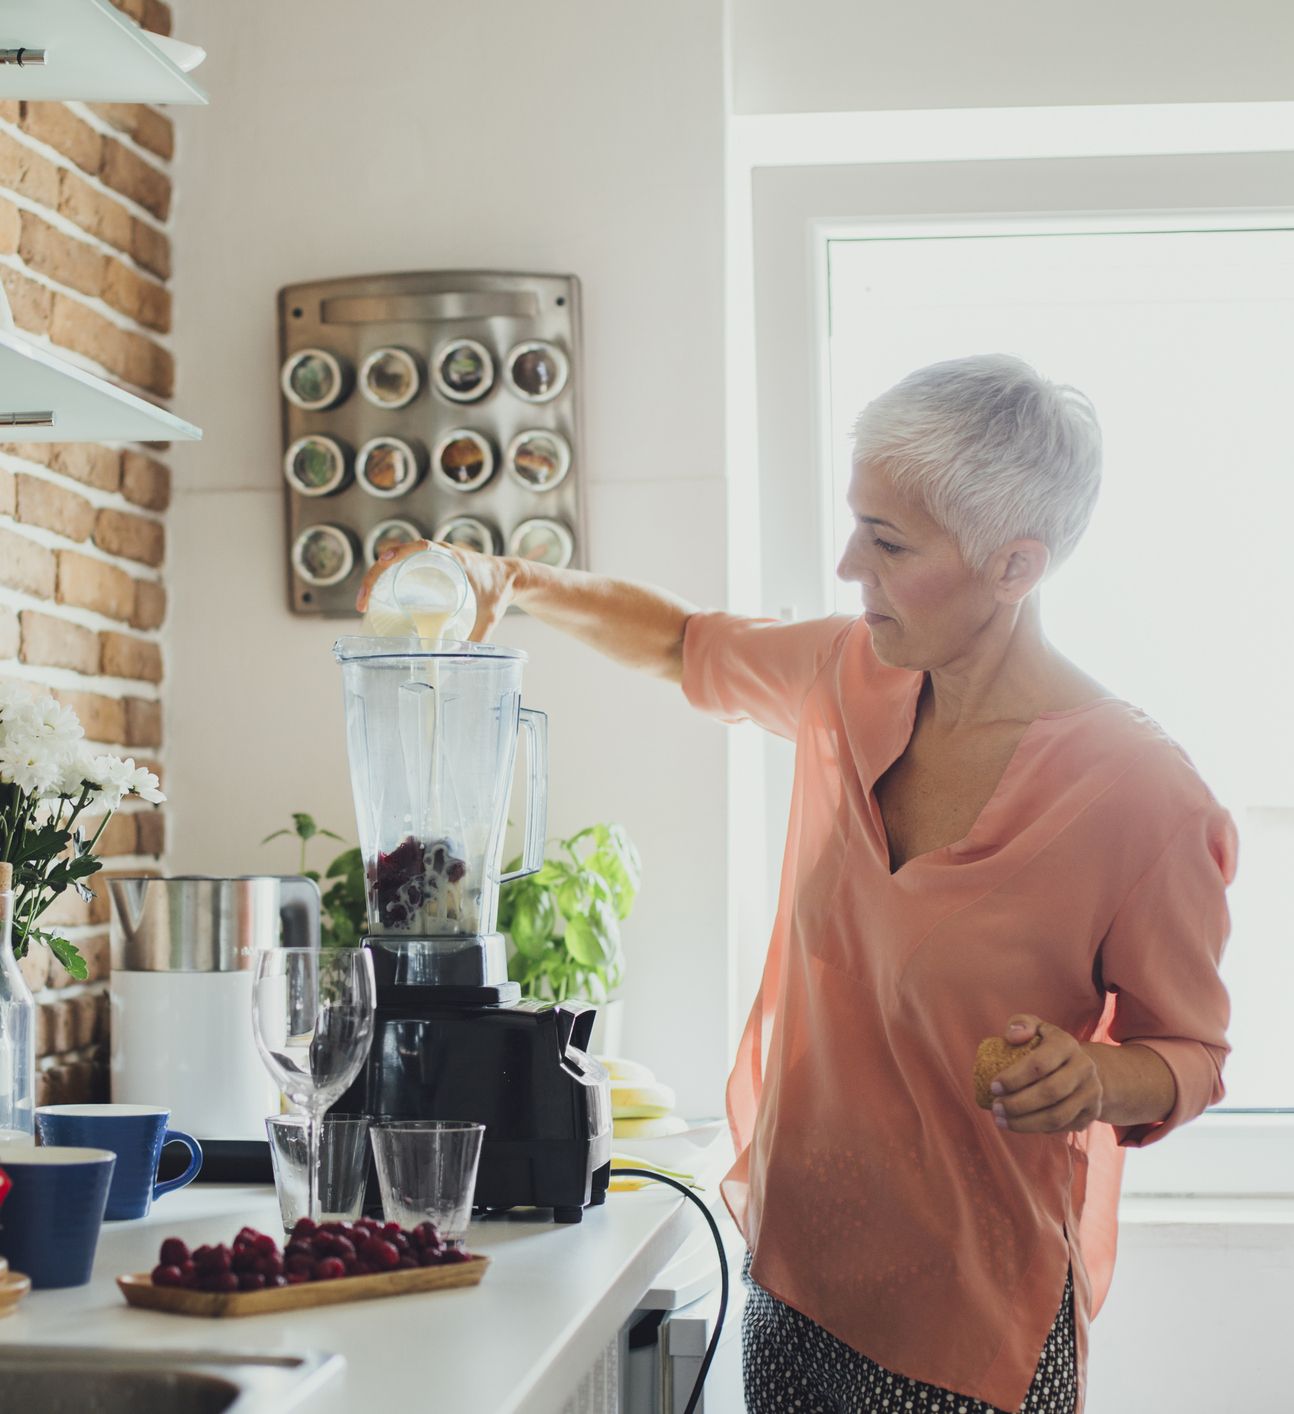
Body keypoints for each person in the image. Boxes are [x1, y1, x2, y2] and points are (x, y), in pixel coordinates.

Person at [358, 353, 1237, 1414]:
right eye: (856, 522)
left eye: (887, 542)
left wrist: (1096, 1080)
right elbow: (681, 642)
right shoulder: (847, 674)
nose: (844, 565)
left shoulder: (1141, 795)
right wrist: (518, 581)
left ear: (1014, 566)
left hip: (965, 1326)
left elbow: (1188, 1053)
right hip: (792, 1274)